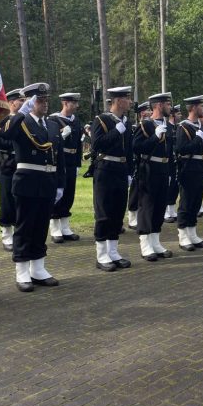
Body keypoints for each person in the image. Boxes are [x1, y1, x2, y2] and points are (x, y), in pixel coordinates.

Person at [2, 83, 65, 291]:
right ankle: (22, 271)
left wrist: (60, 184)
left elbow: (59, 158)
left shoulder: (53, 125)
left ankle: (38, 268)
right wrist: (20, 112)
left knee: (40, 226)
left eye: (46, 100)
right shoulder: (21, 122)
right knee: (24, 226)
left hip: (47, 180)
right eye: (39, 100)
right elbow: (6, 136)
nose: (44, 104)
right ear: (29, 101)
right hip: (27, 179)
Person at [91, 86, 134, 271]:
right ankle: (102, 255)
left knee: (117, 212)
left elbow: (130, 150)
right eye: (127, 98)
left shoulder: (126, 121)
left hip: (121, 169)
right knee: (104, 212)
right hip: (105, 169)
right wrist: (116, 131)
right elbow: (97, 145)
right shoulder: (101, 120)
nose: (130, 102)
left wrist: (131, 171)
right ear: (117, 101)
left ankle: (113, 252)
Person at [132, 93, 174, 261]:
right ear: (158, 105)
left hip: (164, 168)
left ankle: (155, 241)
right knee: (147, 206)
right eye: (167, 104)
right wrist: (154, 137)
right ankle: (145, 243)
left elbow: (171, 152)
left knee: (159, 206)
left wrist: (171, 172)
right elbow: (137, 147)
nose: (170, 107)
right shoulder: (145, 125)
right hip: (149, 169)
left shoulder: (169, 126)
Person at [175, 95, 203, 250]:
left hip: (200, 168)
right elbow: (181, 149)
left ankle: (192, 233)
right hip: (188, 168)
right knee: (186, 202)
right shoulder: (183, 127)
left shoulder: (201, 127)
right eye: (201, 106)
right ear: (194, 108)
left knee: (196, 202)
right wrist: (197, 139)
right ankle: (183, 236)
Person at [48, 92, 83, 243]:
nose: (76, 106)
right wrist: (61, 136)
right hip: (59, 160)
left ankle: (65, 226)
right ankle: (55, 227)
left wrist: (77, 164)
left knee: (69, 193)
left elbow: (79, 145)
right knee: (59, 193)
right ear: (65, 103)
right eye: (73, 103)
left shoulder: (76, 121)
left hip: (71, 160)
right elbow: (49, 142)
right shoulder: (53, 120)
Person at [0, 89, 24, 252]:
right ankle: (7, 233)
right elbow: (0, 141)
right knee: (7, 199)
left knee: (22, 199)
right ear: (12, 103)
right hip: (8, 162)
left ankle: (20, 232)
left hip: (23, 163)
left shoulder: (25, 119)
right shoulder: (1, 120)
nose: (24, 104)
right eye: (21, 101)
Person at [127, 101, 151, 229]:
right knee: (135, 191)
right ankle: (132, 216)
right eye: (148, 110)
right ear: (142, 113)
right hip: (136, 161)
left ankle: (139, 215)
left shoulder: (148, 126)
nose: (151, 112)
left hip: (143, 162)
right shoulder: (135, 126)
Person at [164, 104, 181, 223]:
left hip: (176, 162)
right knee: (168, 187)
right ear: (172, 115)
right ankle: (165, 211)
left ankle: (171, 209)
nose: (180, 115)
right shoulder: (167, 127)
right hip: (168, 161)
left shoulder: (177, 127)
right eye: (178, 113)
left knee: (174, 187)